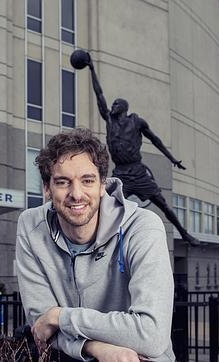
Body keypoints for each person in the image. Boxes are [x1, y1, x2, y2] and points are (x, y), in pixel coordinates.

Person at [16, 128, 176, 361]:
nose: (76, 194)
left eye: (87, 180)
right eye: (63, 182)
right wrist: (93, 347)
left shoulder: (142, 227)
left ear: (103, 185)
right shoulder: (31, 227)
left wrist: (60, 317)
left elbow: (151, 335)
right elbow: (41, 325)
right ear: (47, 188)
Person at [76, 51, 199, 246]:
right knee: (104, 205)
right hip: (122, 174)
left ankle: (184, 233)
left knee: (162, 204)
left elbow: (156, 140)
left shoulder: (137, 121)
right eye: (113, 103)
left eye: (116, 104)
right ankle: (94, 239)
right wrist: (91, 69)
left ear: (124, 108)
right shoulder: (110, 121)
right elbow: (99, 95)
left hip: (138, 171)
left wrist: (172, 159)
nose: (112, 106)